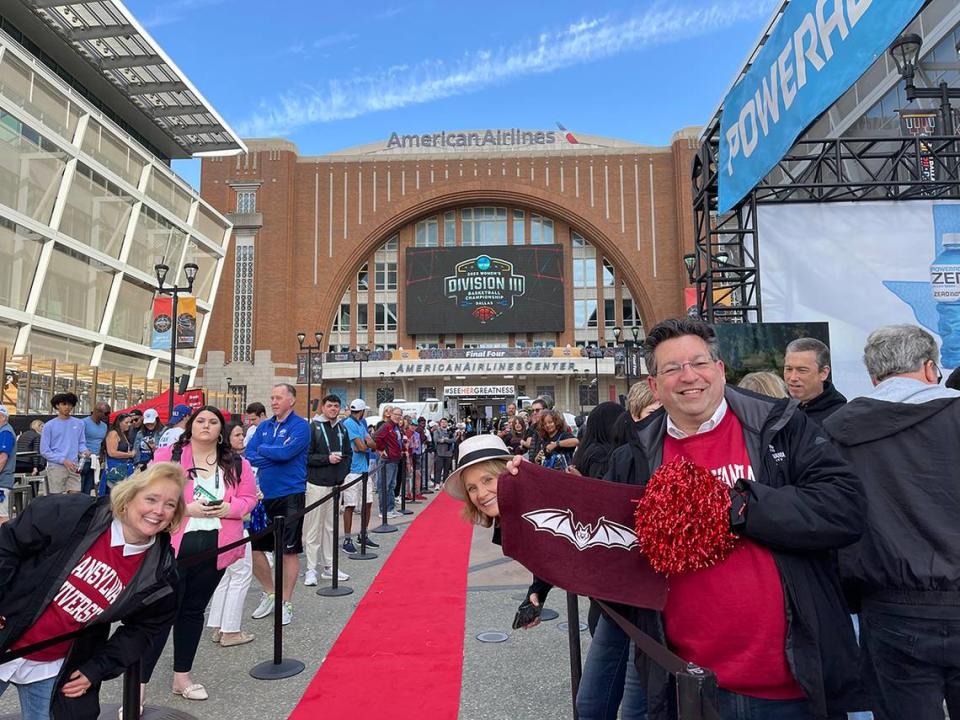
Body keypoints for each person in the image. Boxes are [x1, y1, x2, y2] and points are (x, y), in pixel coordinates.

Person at [602, 318, 864, 719]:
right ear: (654, 385)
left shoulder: (781, 426)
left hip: (794, 686)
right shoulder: (634, 454)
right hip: (691, 690)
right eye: (672, 368)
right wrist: (515, 493)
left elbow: (843, 508)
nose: (689, 376)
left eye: (699, 363)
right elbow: (597, 538)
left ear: (720, 370)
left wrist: (737, 507)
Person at [823, 324, 960, 720]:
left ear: (873, 376)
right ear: (931, 368)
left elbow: (834, 521)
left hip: (891, 610)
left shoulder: (840, 431)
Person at [0, 463, 183, 720]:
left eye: (170, 505)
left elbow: (144, 629)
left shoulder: (161, 573)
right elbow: (8, 544)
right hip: (7, 638)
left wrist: (95, 669)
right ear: (128, 498)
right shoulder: (73, 513)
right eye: (151, 499)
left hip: (55, 668)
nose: (158, 511)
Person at [142, 406, 257, 702]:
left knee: (193, 611)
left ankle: (182, 677)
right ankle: (137, 690)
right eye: (201, 421)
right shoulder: (169, 456)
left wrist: (229, 509)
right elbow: (150, 494)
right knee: (160, 614)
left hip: (217, 546)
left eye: (213, 422)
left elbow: (247, 499)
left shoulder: (236, 463)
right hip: (173, 546)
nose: (206, 425)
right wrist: (184, 509)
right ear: (190, 426)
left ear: (221, 430)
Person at [443, 435, 549, 631]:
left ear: (507, 472)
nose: (481, 494)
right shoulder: (506, 520)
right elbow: (545, 555)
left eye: (488, 479)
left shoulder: (538, 506)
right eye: (472, 488)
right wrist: (537, 592)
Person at [245, 384, 311, 626]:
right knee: (255, 547)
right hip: (264, 496)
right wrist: (273, 453)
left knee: (288, 550)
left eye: (279, 397)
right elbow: (249, 454)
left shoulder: (301, 426)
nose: (273, 401)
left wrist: (268, 453)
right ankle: (270, 592)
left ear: (291, 400)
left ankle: (286, 601)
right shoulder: (263, 426)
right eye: (272, 397)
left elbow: (287, 454)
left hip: (290, 494)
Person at [206, 421, 255, 649]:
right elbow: (245, 498)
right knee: (241, 574)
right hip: (232, 525)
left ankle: (217, 624)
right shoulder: (238, 463)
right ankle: (231, 629)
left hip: (211, 525)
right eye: (237, 435)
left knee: (224, 576)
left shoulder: (208, 460)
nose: (241, 438)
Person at [303, 394, 353, 586]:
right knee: (314, 529)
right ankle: (310, 569)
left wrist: (342, 473)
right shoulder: (313, 428)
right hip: (316, 485)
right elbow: (306, 457)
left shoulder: (342, 428)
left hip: (335, 485)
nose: (333, 409)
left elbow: (348, 454)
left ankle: (329, 567)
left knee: (331, 529)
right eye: (330, 406)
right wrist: (327, 459)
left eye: (336, 406)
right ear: (323, 408)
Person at [341, 399, 379, 554]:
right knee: (350, 505)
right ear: (362, 411)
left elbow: (372, 444)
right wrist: (365, 444)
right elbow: (363, 446)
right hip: (351, 471)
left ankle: (362, 535)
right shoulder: (349, 424)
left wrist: (365, 444)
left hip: (363, 470)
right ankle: (347, 538)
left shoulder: (360, 424)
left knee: (368, 503)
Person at [783, 337, 847, 424]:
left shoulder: (842, 418)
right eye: (789, 369)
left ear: (824, 373)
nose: (793, 377)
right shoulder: (777, 409)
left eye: (802, 370)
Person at [40, 392, 88, 495]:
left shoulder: (79, 423)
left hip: (74, 465)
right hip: (56, 466)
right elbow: (44, 450)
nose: (67, 407)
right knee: (57, 498)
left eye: (70, 404)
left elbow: (81, 443)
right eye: (64, 404)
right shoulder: (49, 426)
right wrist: (63, 460)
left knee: (75, 498)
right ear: (57, 406)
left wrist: (84, 450)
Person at [374, 406, 404, 520]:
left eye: (399, 415)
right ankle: (384, 510)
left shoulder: (396, 427)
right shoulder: (386, 426)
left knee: (391, 485)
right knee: (385, 486)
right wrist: (381, 450)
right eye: (396, 414)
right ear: (391, 414)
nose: (397, 417)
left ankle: (390, 509)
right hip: (387, 460)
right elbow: (376, 437)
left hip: (395, 459)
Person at [99, 413, 136, 496]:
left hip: (123, 467)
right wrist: (129, 455)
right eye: (126, 423)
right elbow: (112, 452)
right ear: (119, 422)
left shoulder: (124, 434)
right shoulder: (113, 433)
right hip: (114, 468)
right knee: (114, 494)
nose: (129, 425)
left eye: (130, 422)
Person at [80, 403, 110, 495]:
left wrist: (101, 454)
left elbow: (102, 442)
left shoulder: (104, 426)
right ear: (97, 411)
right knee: (79, 486)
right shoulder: (83, 423)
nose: (108, 416)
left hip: (95, 460)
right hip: (82, 459)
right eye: (106, 413)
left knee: (89, 487)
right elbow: (76, 440)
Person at [521, 397, 549, 461]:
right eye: (533, 410)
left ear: (545, 410)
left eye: (537, 410)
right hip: (534, 462)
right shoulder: (533, 427)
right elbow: (532, 447)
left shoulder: (552, 426)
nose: (534, 413)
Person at [0, 406, 14, 525]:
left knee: (2, 516)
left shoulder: (6, 432)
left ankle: (4, 542)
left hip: (2, 482)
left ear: (3, 417)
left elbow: (3, 458)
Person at [433, 418, 455, 486]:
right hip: (439, 453)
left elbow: (453, 440)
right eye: (442, 422)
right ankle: (437, 483)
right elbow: (436, 440)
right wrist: (445, 440)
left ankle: (445, 483)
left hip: (448, 453)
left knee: (447, 469)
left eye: (445, 422)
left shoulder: (450, 431)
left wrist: (444, 440)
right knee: (438, 469)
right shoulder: (437, 431)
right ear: (440, 423)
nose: (444, 423)